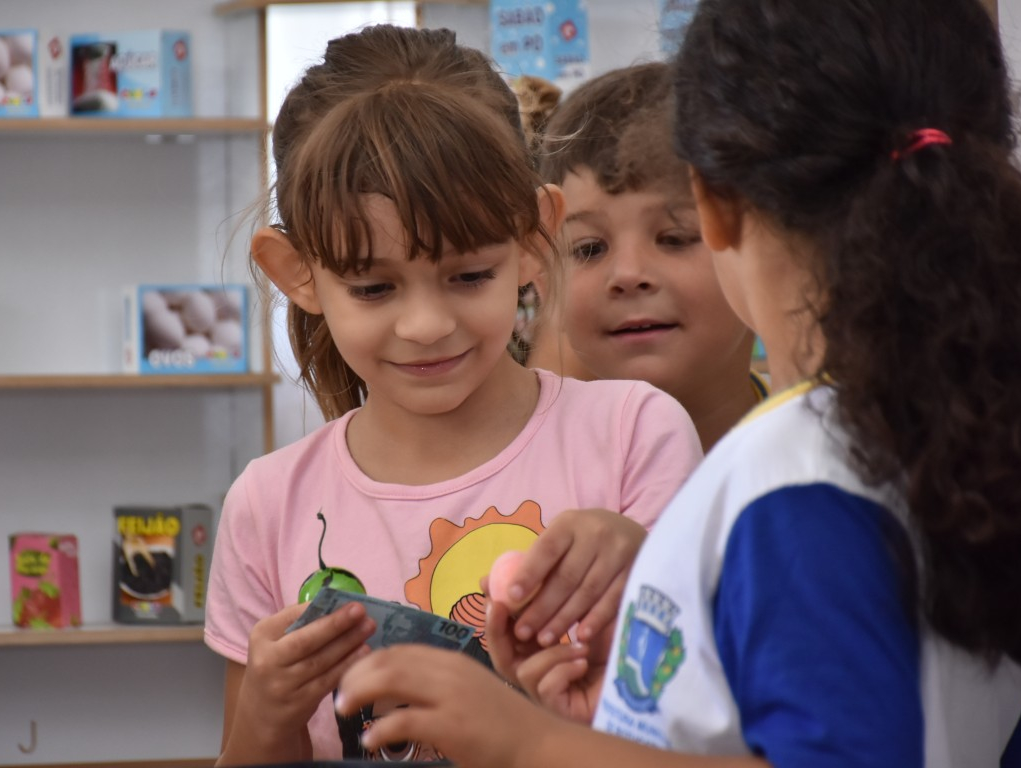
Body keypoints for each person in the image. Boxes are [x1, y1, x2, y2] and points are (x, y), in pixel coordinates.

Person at [335, 1, 1021, 766]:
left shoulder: (799, 476)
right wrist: (642, 707)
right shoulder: (959, 424)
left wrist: (531, 744)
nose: (630, 273)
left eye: (672, 235)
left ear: (714, 203)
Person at [202, 24, 703, 765]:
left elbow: (693, 729)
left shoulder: (634, 435)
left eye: (468, 276)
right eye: (373, 287)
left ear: (533, 239)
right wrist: (268, 716)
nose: (427, 325)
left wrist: (647, 567)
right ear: (296, 272)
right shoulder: (268, 504)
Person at [527, 62, 765, 451]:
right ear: (543, 278)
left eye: (674, 238)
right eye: (589, 249)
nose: (628, 274)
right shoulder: (528, 475)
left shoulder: (836, 454)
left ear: (760, 251)